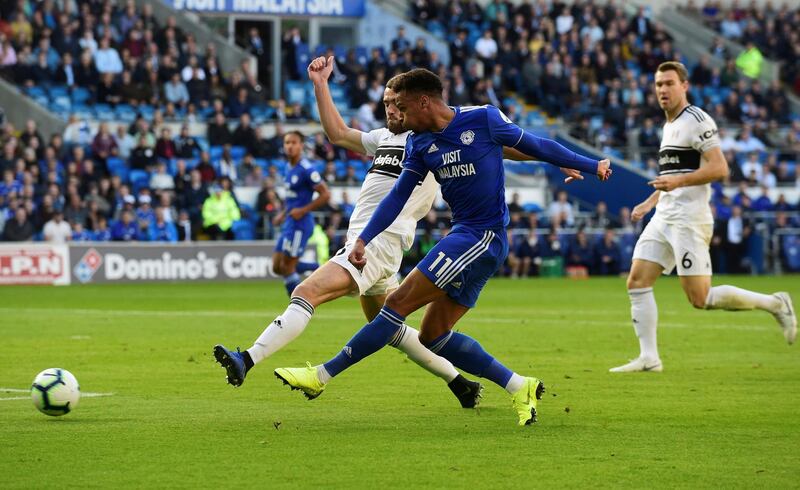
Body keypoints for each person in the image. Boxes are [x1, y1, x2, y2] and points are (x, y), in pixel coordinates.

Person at [273, 67, 611, 426]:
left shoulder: (483, 119)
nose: (398, 116)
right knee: (434, 335)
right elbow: (396, 197)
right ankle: (519, 385)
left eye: (401, 107)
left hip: (482, 236)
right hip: (465, 238)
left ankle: (321, 376)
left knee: (397, 305)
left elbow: (535, 144)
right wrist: (362, 239)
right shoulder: (419, 144)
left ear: (424, 101)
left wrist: (590, 165)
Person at [610, 62, 796, 373]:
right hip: (664, 216)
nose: (663, 90)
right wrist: (649, 201)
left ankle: (775, 303)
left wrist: (678, 183)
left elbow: (720, 168)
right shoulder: (667, 126)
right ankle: (649, 357)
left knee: (700, 297)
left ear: (684, 86)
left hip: (689, 219)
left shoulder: (697, 120)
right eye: (658, 85)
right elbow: (672, 175)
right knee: (637, 281)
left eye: (669, 83)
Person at [268, 131, 330, 295]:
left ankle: (297, 306)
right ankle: (319, 267)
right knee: (277, 266)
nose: (290, 146)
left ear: (301, 146)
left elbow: (326, 194)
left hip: (300, 224)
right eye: (287, 143)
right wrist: (282, 214)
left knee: (287, 267)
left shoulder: (306, 169)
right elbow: (291, 199)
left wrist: (302, 210)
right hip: (289, 222)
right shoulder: (288, 167)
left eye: (294, 143)